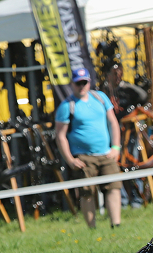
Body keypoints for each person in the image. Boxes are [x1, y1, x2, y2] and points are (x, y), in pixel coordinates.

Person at [55, 68, 123, 228]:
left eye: (84, 82)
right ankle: (92, 229)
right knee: (87, 193)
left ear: (89, 82)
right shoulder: (67, 106)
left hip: (107, 154)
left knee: (114, 187)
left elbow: (113, 122)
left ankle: (116, 225)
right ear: (72, 84)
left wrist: (116, 147)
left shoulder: (100, 98)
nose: (81, 86)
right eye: (78, 83)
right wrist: (70, 160)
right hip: (83, 157)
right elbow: (60, 135)